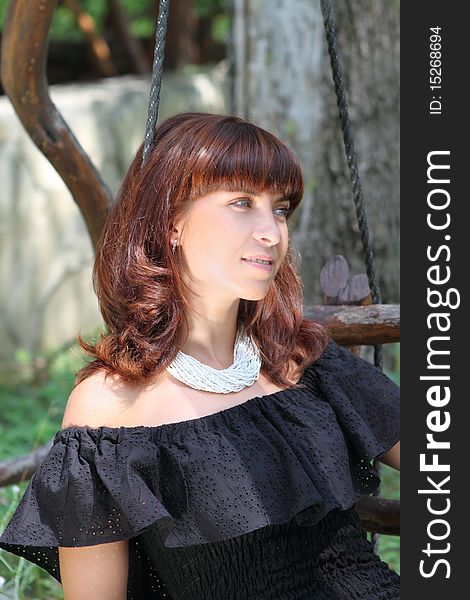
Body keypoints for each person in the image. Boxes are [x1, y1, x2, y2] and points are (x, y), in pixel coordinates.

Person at [0, 112, 400, 599]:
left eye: (280, 209)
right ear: (170, 222)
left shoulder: (299, 357)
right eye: (241, 202)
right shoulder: (109, 410)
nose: (272, 233)